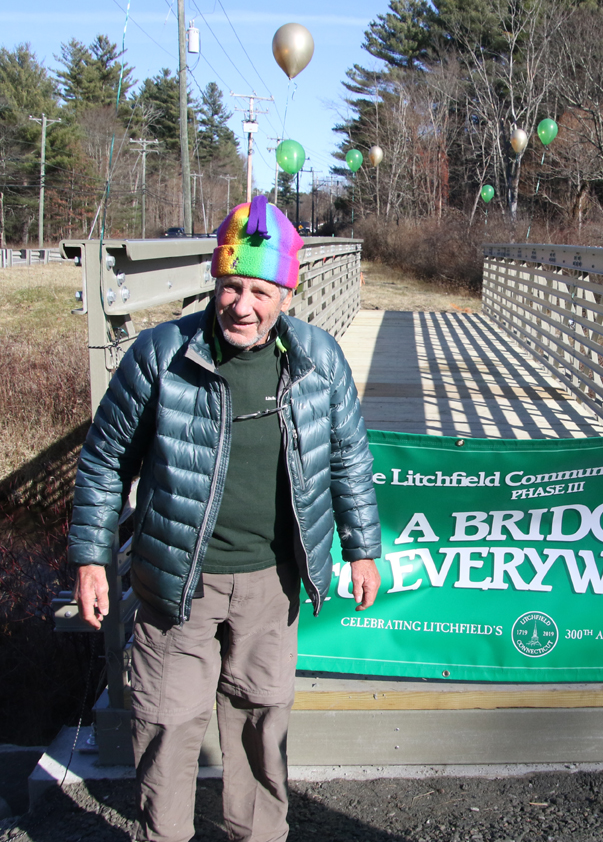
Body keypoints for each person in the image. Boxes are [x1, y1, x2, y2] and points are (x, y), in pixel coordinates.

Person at [69, 196, 382, 842]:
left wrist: (362, 547)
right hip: (174, 580)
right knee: (166, 721)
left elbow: (349, 455)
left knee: (260, 720)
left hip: (271, 581)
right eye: (231, 286)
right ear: (215, 283)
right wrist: (91, 556)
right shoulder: (161, 354)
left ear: (287, 295)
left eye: (261, 290)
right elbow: (104, 460)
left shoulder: (319, 358)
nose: (243, 304)